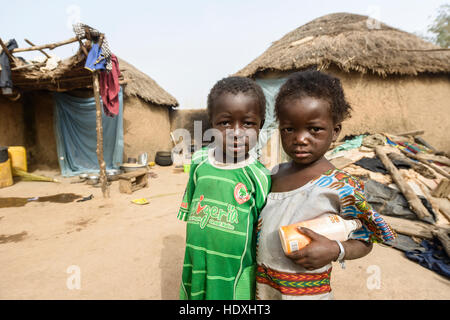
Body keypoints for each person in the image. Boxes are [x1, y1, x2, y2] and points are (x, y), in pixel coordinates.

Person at [255, 70, 396, 300]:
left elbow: (365, 239)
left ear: (335, 132)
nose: (300, 138)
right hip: (263, 290)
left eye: (314, 129)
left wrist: (336, 250)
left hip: (307, 295)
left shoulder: (342, 186)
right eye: (289, 129)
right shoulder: (273, 176)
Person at [177, 76, 271, 300]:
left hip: (234, 273)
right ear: (212, 123)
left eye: (247, 123)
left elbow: (262, 234)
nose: (236, 132)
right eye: (225, 123)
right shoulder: (199, 162)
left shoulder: (260, 177)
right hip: (196, 261)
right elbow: (191, 207)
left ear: (260, 125)